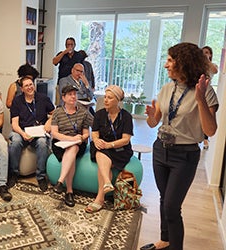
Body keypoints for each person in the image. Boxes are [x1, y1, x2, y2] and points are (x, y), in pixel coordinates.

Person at [141, 42, 218, 250]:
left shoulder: (205, 91)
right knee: (164, 199)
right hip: (160, 150)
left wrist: (200, 98)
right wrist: (150, 116)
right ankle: (165, 240)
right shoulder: (166, 88)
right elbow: (153, 123)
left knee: (172, 207)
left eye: (169, 61)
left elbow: (210, 130)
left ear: (182, 63)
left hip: (185, 155)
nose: (166, 65)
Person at [85, 85, 133, 213]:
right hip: (102, 147)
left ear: (117, 100)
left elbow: (126, 139)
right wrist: (96, 140)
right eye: (105, 97)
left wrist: (109, 145)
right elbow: (94, 133)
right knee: (101, 152)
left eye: (110, 98)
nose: (105, 100)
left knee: (104, 156)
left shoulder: (126, 116)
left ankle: (99, 199)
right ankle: (107, 183)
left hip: (120, 149)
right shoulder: (99, 114)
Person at [8, 76, 55, 191]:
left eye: (31, 84)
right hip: (21, 131)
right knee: (16, 141)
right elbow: (14, 124)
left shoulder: (43, 98)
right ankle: (14, 173)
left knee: (43, 143)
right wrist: (23, 134)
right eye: (26, 86)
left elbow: (55, 113)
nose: (29, 87)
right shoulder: (17, 101)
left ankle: (41, 176)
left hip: (38, 131)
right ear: (22, 89)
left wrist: (49, 122)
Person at [51, 85, 93, 207]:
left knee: (73, 148)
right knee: (71, 150)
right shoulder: (58, 112)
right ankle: (69, 191)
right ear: (63, 98)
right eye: (70, 94)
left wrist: (80, 138)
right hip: (60, 143)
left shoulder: (83, 112)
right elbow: (54, 133)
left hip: (77, 144)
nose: (73, 96)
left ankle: (60, 182)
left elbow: (86, 133)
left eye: (75, 94)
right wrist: (71, 139)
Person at [201, 45, 218, 150]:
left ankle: (205, 138)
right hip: (197, 90)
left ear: (210, 54)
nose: (205, 54)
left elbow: (215, 71)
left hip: (207, 92)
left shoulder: (211, 65)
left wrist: (207, 60)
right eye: (203, 52)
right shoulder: (198, 65)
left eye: (207, 52)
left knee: (206, 114)